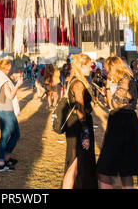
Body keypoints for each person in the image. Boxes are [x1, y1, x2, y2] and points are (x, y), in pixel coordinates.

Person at [97, 56, 138, 189]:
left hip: (123, 123)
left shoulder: (126, 80)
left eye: (107, 69)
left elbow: (114, 103)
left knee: (106, 168)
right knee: (125, 169)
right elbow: (110, 104)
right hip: (122, 121)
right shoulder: (123, 80)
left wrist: (107, 88)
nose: (106, 72)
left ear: (114, 68)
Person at [62, 54, 98, 189]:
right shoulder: (78, 83)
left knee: (77, 161)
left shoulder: (77, 80)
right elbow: (80, 108)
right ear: (82, 66)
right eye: (90, 65)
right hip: (78, 125)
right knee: (75, 161)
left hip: (78, 124)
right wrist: (85, 130)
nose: (91, 68)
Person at [0, 59, 23, 172]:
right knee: (6, 136)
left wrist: (12, 77)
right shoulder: (2, 79)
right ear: (4, 68)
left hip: (2, 109)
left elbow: (4, 81)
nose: (9, 70)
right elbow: (10, 96)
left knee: (14, 135)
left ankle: (5, 158)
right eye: (8, 68)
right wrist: (18, 85)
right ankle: (1, 163)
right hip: (6, 111)